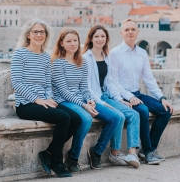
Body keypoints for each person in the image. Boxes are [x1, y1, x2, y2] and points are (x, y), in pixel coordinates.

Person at [11, 19, 81, 178]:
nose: (39, 35)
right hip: (26, 104)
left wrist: (48, 98)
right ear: (28, 35)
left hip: (43, 102)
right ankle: (57, 162)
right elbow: (17, 82)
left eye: (42, 32)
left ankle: (48, 152)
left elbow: (48, 83)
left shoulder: (45, 57)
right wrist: (37, 99)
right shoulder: (20, 54)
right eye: (35, 32)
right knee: (63, 117)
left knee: (76, 119)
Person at [51, 28, 125, 171]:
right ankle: (73, 158)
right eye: (68, 41)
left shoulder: (82, 62)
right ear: (61, 43)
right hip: (65, 101)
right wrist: (85, 106)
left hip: (82, 100)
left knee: (115, 117)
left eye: (75, 40)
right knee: (86, 119)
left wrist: (90, 100)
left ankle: (96, 151)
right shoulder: (57, 63)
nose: (73, 44)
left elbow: (85, 87)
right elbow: (64, 92)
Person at [107, 18, 174, 165]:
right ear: (121, 33)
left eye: (133, 29)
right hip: (123, 95)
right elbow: (113, 82)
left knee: (165, 110)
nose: (130, 32)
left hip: (138, 94)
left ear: (137, 32)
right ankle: (149, 153)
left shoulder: (142, 53)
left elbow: (149, 79)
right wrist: (129, 97)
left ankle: (147, 150)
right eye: (127, 30)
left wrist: (162, 97)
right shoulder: (114, 53)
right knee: (142, 110)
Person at [82, 25, 141, 168]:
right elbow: (86, 86)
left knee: (133, 114)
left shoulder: (107, 57)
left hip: (107, 96)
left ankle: (131, 154)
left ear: (106, 39)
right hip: (92, 99)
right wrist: (100, 102)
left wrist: (120, 100)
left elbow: (111, 83)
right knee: (119, 116)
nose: (100, 39)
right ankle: (102, 152)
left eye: (103, 36)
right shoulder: (85, 58)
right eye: (96, 36)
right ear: (91, 38)